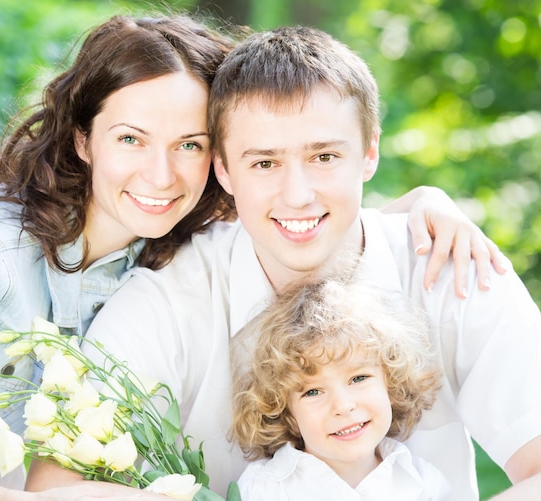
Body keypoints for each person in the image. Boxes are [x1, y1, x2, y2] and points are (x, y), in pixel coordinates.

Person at [0, 12, 490, 500]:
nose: (161, 174)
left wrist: (426, 204)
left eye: (188, 145)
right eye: (130, 139)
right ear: (83, 140)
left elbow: (304, 208)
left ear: (218, 159)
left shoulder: (169, 231)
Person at [49, 24, 541, 500]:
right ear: (223, 169)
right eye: (264, 163)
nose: (298, 196)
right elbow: (54, 488)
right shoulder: (167, 299)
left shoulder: (453, 269)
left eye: (324, 157)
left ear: (369, 153)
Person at [231, 275, 449, 499]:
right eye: (313, 392)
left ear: (391, 385)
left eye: (358, 378)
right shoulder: (263, 488)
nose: (343, 406)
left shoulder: (423, 484)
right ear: (288, 416)